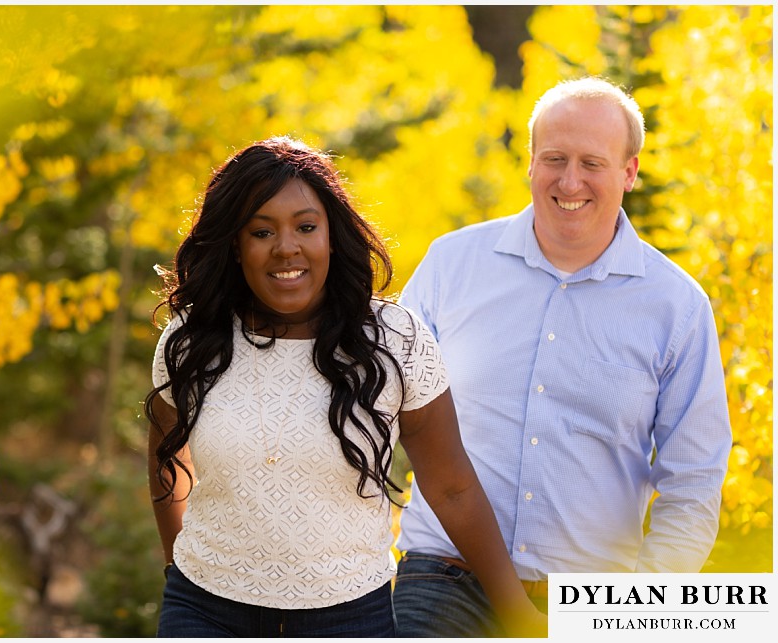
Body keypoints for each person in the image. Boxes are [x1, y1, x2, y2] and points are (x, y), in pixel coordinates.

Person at [145, 136, 546, 637]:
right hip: (204, 611)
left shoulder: (394, 342)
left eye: (306, 227)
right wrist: (176, 570)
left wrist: (516, 613)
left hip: (350, 616)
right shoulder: (190, 340)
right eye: (261, 231)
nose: (286, 247)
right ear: (235, 245)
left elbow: (453, 488)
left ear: (331, 236)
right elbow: (168, 461)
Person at [393, 76, 732, 636]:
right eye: (554, 158)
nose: (569, 181)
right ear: (530, 162)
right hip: (444, 579)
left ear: (629, 171)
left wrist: (639, 611)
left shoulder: (677, 307)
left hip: (592, 600)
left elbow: (692, 484)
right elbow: (376, 407)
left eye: (592, 163)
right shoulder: (451, 265)